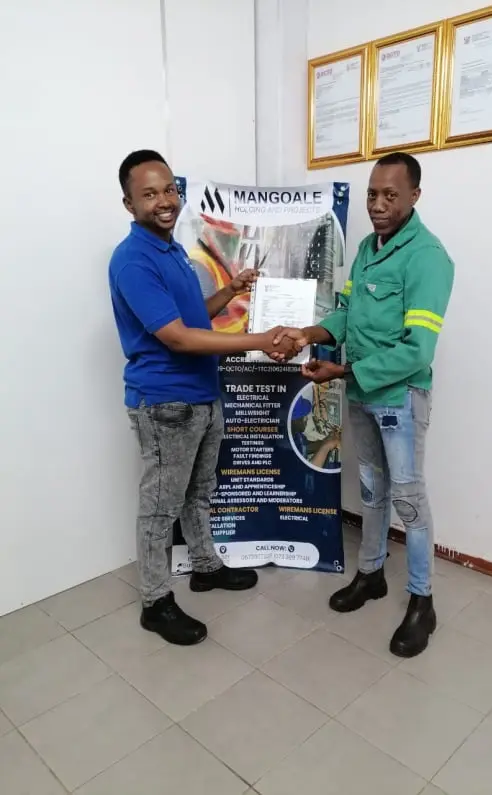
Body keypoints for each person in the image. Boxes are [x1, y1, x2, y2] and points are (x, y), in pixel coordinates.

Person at [109, 150, 298, 646]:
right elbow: (177, 338)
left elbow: (193, 318)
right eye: (149, 194)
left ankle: (205, 566)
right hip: (165, 403)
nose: (164, 201)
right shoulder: (133, 259)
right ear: (129, 204)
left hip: (202, 397)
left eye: (169, 190)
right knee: (160, 507)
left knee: (199, 492)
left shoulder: (172, 251)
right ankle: (155, 601)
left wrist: (230, 290)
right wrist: (260, 340)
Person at [274, 152, 454, 658]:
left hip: (399, 398)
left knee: (408, 501)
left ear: (414, 196)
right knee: (373, 491)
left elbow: (417, 350)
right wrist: (308, 333)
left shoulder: (428, 258)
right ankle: (371, 574)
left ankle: (422, 601)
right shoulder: (367, 250)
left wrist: (343, 371)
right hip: (361, 395)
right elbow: (347, 312)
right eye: (373, 194)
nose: (377, 204)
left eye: (390, 195)